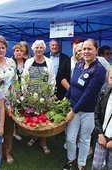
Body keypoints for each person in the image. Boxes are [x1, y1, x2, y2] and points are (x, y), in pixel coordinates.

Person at [64, 39, 106, 170]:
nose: (86, 52)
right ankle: (71, 158)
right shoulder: (79, 64)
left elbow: (89, 94)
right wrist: (66, 98)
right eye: (84, 49)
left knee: (85, 138)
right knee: (70, 138)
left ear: (96, 50)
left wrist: (73, 111)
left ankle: (80, 164)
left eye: (89, 49)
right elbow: (73, 84)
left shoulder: (99, 71)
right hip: (73, 107)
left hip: (88, 111)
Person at [22, 40, 55, 154]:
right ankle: (34, 136)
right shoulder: (29, 62)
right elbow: (24, 77)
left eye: (41, 47)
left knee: (44, 118)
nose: (39, 49)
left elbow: (52, 79)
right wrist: (26, 93)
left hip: (44, 95)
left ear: (44, 49)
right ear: (33, 49)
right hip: (31, 95)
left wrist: (50, 94)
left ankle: (43, 142)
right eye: (37, 48)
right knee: (33, 116)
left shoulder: (49, 62)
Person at [0, 35, 17, 164]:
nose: (1, 50)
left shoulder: (11, 62)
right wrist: (6, 106)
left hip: (12, 102)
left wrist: (17, 100)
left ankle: (8, 151)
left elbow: (15, 81)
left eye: (3, 47)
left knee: (9, 129)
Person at [91, 66, 112, 170]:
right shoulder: (104, 90)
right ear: (108, 78)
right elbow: (97, 113)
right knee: (96, 165)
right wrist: (100, 134)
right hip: (102, 136)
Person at [12, 44, 27, 140]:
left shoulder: (27, 62)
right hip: (14, 89)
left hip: (25, 89)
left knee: (22, 110)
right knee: (14, 110)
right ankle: (12, 131)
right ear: (14, 52)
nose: (19, 52)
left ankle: (17, 130)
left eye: (21, 51)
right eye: (17, 50)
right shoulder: (10, 62)